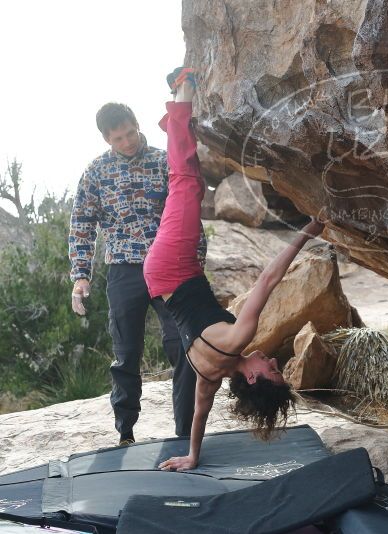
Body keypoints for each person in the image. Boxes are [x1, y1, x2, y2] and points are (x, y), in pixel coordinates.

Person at [145, 68, 325, 472]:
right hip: (168, 279)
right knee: (188, 186)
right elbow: (198, 417)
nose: (273, 361)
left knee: (187, 183)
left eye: (272, 370)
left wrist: (306, 232)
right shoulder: (211, 376)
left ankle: (182, 93)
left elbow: (268, 279)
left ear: (255, 379)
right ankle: (175, 122)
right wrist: (192, 456)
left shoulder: (237, 338)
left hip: (173, 268)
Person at [69, 101, 206, 446]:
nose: (128, 141)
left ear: (136, 124)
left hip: (169, 267)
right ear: (107, 140)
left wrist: (196, 262)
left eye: (130, 132)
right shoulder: (96, 172)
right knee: (126, 352)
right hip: (123, 271)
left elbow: (187, 211)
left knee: (183, 346)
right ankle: (125, 433)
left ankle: (184, 433)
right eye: (118, 138)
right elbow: (82, 224)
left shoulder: (163, 161)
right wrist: (81, 274)